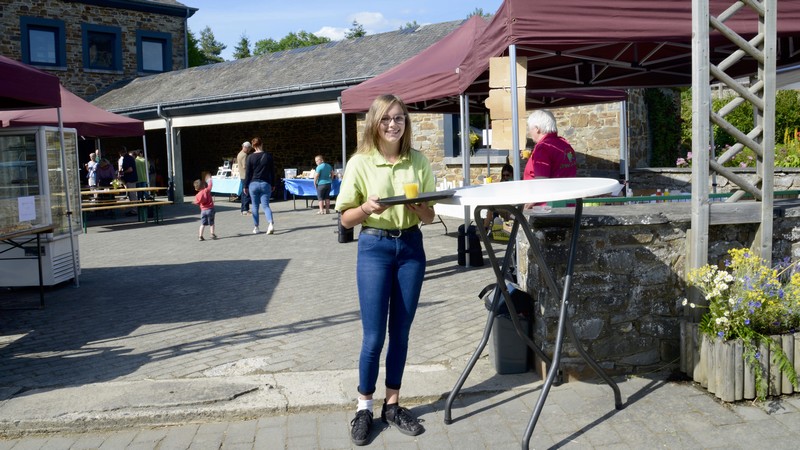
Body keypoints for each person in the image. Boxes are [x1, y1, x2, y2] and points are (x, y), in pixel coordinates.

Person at [336, 94, 435, 446]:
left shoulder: (418, 161)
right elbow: (345, 219)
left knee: (401, 333)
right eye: (386, 119)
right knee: (374, 336)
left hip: (410, 247)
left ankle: (392, 406)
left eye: (399, 118)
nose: (393, 125)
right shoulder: (360, 162)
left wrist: (420, 207)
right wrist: (366, 208)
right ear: (375, 123)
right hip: (374, 247)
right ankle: (364, 407)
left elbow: (430, 216)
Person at [523, 109, 578, 209]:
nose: (529, 132)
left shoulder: (543, 148)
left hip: (547, 207)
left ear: (537, 129)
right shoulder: (564, 144)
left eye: (530, 129)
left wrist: (527, 205)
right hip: (568, 203)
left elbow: (542, 183)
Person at [243, 137, 275, 235]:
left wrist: (245, 186)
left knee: (255, 206)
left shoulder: (250, 157)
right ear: (262, 144)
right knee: (266, 206)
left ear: (253, 146)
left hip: (253, 184)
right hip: (265, 183)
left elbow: (248, 173)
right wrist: (273, 184)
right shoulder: (268, 156)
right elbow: (272, 172)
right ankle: (270, 223)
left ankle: (256, 227)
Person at [192, 176, 217, 241]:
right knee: (211, 223)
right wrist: (210, 180)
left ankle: (200, 236)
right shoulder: (206, 190)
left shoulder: (197, 195)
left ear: (196, 189)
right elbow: (210, 185)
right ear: (203, 186)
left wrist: (195, 202)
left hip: (203, 211)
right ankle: (212, 234)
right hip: (210, 209)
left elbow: (197, 202)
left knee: (203, 224)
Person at [117, 146, 138, 215]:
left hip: (130, 179)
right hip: (131, 179)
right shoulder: (129, 158)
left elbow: (130, 169)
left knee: (132, 195)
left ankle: (134, 210)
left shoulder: (127, 158)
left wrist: (123, 172)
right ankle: (133, 209)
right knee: (131, 195)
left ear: (121, 152)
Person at [236, 141, 252, 215]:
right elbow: (245, 166)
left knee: (243, 193)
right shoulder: (244, 155)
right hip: (245, 176)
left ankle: (243, 209)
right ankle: (245, 210)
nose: (249, 150)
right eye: (249, 148)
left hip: (242, 176)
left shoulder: (239, 153)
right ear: (246, 147)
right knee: (246, 193)